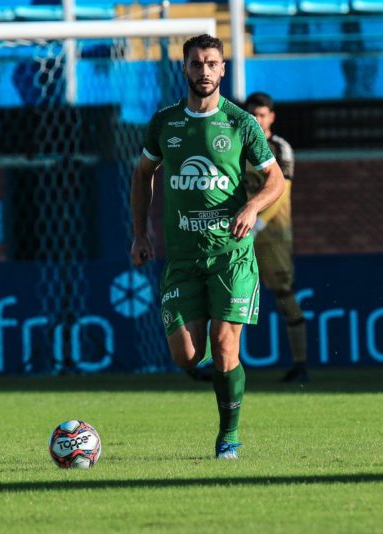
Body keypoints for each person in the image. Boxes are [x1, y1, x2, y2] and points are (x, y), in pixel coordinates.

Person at [129, 34, 285, 460]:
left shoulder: (240, 123)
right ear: (184, 68)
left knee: (224, 343)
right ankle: (219, 376)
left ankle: (228, 438)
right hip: (183, 256)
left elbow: (275, 179)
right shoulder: (165, 123)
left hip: (231, 255)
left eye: (212, 63)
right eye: (196, 63)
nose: (204, 71)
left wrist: (251, 207)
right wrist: (140, 234)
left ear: (223, 69)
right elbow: (142, 173)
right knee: (186, 355)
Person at [243, 92, 310, 384]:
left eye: (262, 115)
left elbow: (282, 193)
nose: (257, 120)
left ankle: (300, 364)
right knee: (227, 296)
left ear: (271, 117)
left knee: (284, 295)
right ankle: (219, 364)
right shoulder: (237, 145)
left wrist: (257, 222)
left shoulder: (280, 149)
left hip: (273, 236)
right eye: (252, 115)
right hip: (240, 234)